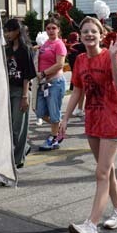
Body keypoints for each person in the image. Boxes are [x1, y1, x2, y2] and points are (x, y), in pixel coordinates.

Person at [60, 16, 117, 233]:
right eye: (85, 31)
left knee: (101, 173)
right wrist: (65, 118)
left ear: (100, 35)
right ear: (80, 36)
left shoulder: (109, 55)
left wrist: (114, 54)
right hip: (92, 119)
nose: (89, 34)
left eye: (93, 31)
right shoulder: (79, 60)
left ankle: (91, 225)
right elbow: (77, 90)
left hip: (111, 120)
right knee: (107, 170)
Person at [4, 18, 37, 168]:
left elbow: (27, 75)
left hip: (20, 91)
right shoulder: (7, 49)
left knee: (18, 127)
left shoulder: (25, 49)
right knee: (10, 127)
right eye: (5, 31)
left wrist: (25, 96)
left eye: (10, 30)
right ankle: (24, 148)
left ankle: (18, 159)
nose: (7, 34)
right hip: (8, 90)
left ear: (18, 31)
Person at [36, 18, 67, 151]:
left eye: (53, 28)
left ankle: (53, 138)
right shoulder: (45, 44)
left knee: (54, 113)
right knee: (40, 112)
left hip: (55, 82)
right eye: (48, 28)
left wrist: (43, 73)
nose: (50, 31)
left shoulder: (59, 44)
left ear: (58, 29)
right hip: (44, 84)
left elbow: (60, 64)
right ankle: (60, 126)